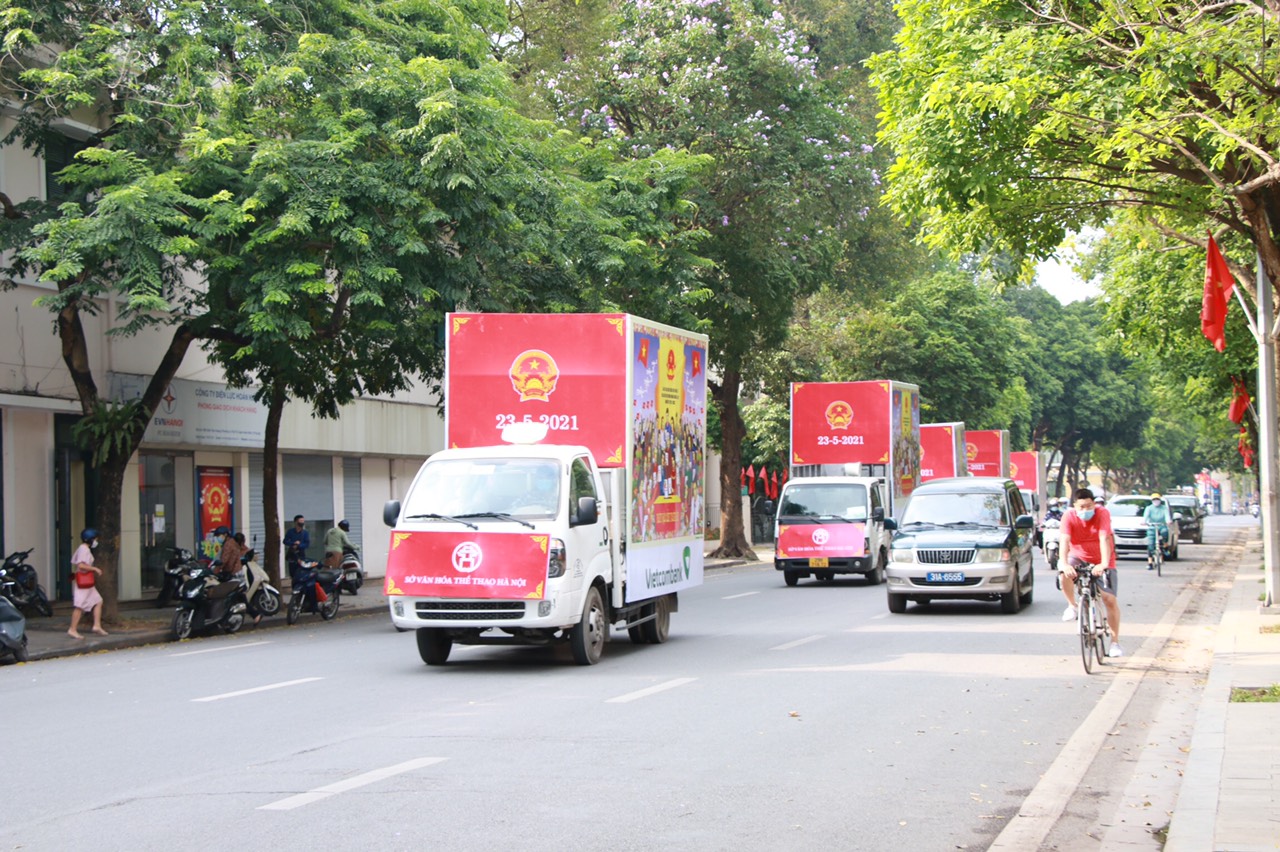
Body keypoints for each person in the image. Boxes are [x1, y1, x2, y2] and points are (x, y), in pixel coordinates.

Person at [1059, 487, 1122, 657]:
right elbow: (1064, 540)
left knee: (1109, 599)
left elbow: (1104, 538)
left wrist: (1103, 564)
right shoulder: (1068, 516)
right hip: (1078, 556)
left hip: (1103, 557)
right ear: (1074, 505)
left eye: (1089, 506)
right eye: (1081, 507)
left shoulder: (1102, 513)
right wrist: (1064, 564)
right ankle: (1072, 605)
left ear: (1094, 504)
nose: (1085, 510)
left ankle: (1115, 643)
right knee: (1063, 574)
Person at [68, 528, 107, 639]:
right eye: (95, 539)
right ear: (90, 539)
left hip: (87, 583)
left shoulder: (83, 548)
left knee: (98, 601)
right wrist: (94, 569)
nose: (96, 541)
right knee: (79, 606)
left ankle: (97, 625)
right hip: (84, 583)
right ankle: (72, 629)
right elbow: (81, 565)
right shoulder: (84, 549)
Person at [1142, 492, 1173, 569]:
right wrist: (1144, 522)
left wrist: (1168, 521)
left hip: (1162, 525)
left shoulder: (1164, 508)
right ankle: (1150, 562)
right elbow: (1145, 516)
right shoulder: (1149, 508)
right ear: (1152, 500)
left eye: (1157, 499)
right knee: (1150, 544)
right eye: (1154, 499)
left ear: (1160, 500)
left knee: (1165, 532)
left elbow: (1167, 516)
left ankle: (1165, 546)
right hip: (1152, 527)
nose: (1156, 501)